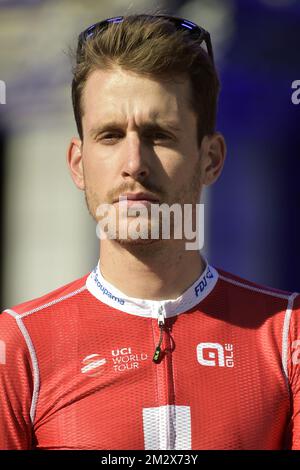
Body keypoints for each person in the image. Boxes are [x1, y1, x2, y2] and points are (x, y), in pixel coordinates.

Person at [0, 13, 299, 451]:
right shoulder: (19, 345)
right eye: (110, 135)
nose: (134, 163)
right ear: (78, 164)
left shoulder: (287, 334)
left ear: (211, 158)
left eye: (159, 135)